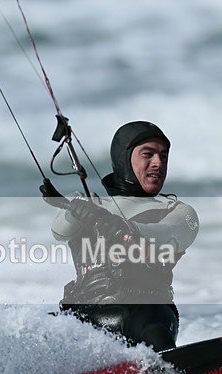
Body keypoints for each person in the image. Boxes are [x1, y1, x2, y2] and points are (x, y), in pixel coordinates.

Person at [41, 121, 199, 352]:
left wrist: (125, 228)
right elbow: (60, 230)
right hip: (88, 319)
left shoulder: (177, 211)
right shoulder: (87, 203)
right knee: (38, 331)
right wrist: (78, 208)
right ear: (124, 160)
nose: (158, 163)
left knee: (151, 320)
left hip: (148, 317)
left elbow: (166, 234)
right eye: (148, 154)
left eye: (163, 156)